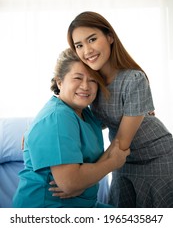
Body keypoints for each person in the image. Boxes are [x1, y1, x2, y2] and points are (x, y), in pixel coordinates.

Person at [66, 11, 173, 208]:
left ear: (110, 37)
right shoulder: (91, 83)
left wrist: (82, 180)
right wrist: (36, 129)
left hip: (156, 158)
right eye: (79, 45)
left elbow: (122, 142)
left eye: (92, 39)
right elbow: (71, 109)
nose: (86, 50)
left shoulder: (134, 79)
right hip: (122, 161)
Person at [12, 48, 130, 208]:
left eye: (93, 80)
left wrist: (137, 108)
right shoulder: (58, 118)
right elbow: (69, 183)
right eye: (77, 78)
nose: (85, 86)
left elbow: (113, 116)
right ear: (59, 82)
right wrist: (113, 163)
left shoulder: (85, 113)